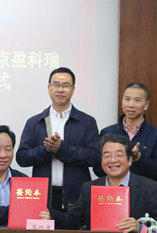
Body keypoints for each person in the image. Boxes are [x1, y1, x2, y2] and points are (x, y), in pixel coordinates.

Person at [39, 134, 157, 230]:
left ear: (130, 160)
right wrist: (51, 215)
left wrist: (140, 226)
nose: (112, 160)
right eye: (107, 155)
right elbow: (73, 220)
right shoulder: (90, 188)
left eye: (118, 155)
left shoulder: (148, 187)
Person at [16, 67, 99, 212]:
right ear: (49, 88)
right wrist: (47, 149)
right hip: (43, 195)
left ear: (73, 89)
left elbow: (94, 157)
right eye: (56, 85)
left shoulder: (87, 122)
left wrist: (62, 149)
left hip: (76, 195)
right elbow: (22, 158)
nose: (60, 89)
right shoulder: (35, 122)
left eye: (65, 85)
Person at [96, 82, 157, 182]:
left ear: (146, 105)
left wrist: (139, 158)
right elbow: (98, 170)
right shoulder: (107, 133)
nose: (131, 105)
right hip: (114, 189)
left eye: (137, 100)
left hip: (143, 189)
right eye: (127, 99)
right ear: (122, 102)